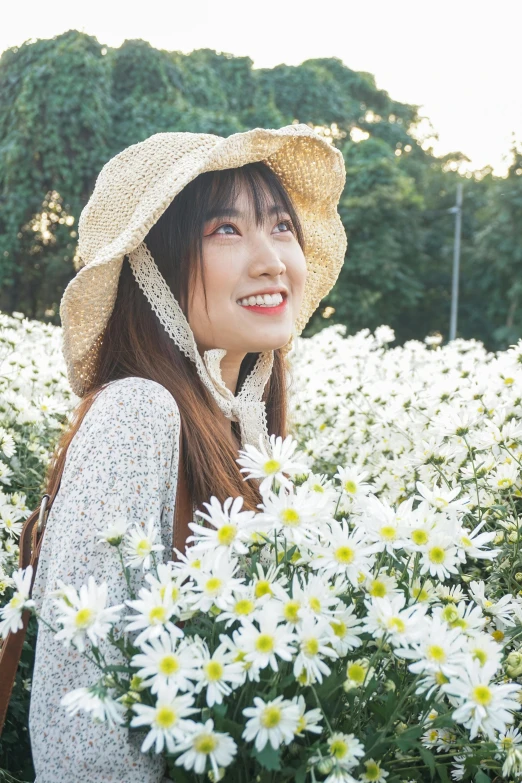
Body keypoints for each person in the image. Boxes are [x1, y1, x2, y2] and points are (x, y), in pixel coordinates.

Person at [28, 124, 347, 782]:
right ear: (149, 268)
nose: (273, 259)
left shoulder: (246, 430)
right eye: (225, 230)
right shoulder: (136, 412)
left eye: (280, 225)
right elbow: (80, 727)